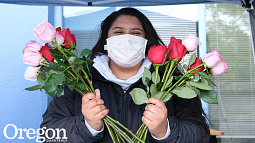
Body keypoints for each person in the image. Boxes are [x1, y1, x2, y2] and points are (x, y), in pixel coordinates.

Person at [41, 7, 210, 143]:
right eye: (119, 32)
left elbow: (201, 134)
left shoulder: (171, 82)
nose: (127, 39)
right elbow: (48, 134)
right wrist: (87, 126)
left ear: (146, 42)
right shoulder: (79, 80)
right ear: (106, 40)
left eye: (136, 33)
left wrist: (165, 130)